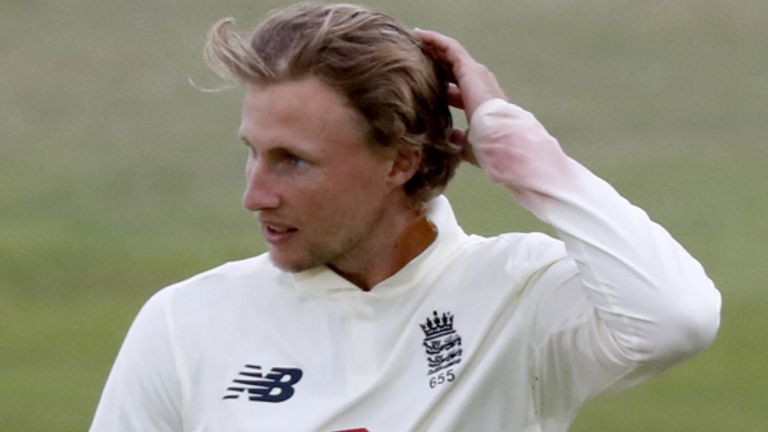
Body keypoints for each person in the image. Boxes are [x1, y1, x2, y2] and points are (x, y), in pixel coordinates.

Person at [90, 3, 721, 431]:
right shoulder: (184, 322)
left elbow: (677, 318)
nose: (255, 195)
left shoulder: (520, 295)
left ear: (399, 161)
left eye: (294, 162)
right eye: (253, 154)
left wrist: (527, 160)